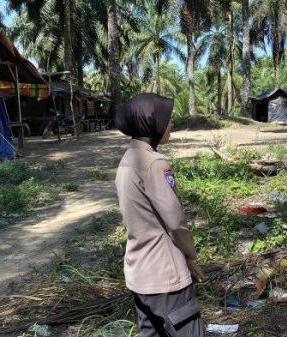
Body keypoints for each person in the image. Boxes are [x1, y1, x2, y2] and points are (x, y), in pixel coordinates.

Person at [115, 93, 206, 337]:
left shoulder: (127, 160)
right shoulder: (155, 163)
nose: (171, 124)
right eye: (167, 119)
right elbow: (175, 222)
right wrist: (189, 255)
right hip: (165, 275)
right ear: (151, 122)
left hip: (139, 273)